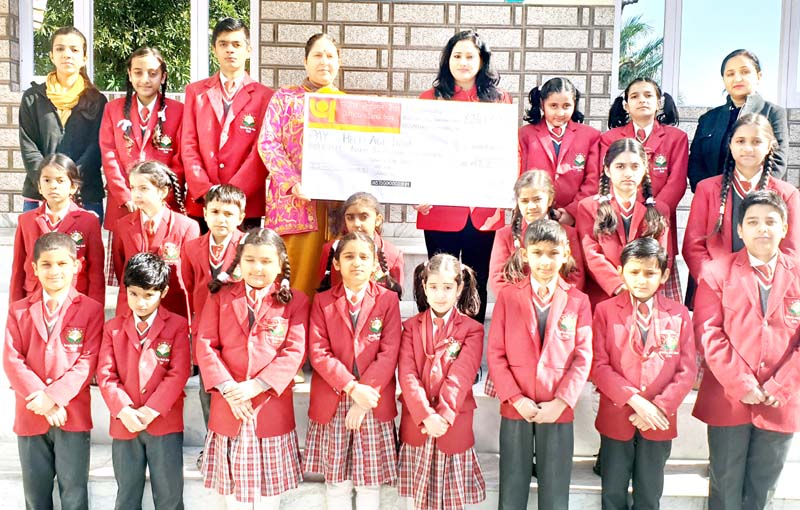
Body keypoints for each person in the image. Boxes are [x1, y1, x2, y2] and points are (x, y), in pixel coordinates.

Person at [693, 190, 800, 510]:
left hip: (781, 398)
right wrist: (742, 383)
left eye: (771, 221)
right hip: (729, 397)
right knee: (724, 486)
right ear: (740, 229)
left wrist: (778, 385)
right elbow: (708, 332)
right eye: (753, 221)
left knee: (763, 489)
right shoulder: (716, 272)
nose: (762, 228)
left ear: (784, 227)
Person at [195, 228, 308, 510]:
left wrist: (255, 386)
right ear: (239, 262)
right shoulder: (220, 296)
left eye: (267, 261)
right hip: (229, 405)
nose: (258, 268)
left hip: (269, 406)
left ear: (281, 263)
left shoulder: (295, 301)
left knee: (270, 495)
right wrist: (230, 389)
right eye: (250, 260)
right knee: (233, 495)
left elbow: (293, 351)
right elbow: (206, 345)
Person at [487, 219, 592, 510]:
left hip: (557, 407)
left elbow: (583, 357)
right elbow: (496, 353)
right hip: (516, 406)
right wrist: (515, 398)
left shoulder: (578, 301)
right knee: (512, 486)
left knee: (556, 490)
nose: (545, 261)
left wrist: (562, 401)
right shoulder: (508, 297)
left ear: (566, 254)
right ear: (524, 254)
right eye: (537, 253)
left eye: (553, 253)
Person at [592, 237, 696, 510]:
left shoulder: (679, 314)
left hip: (659, 420)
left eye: (650, 273)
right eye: (634, 272)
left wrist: (658, 408)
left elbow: (686, 370)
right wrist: (635, 400)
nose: (641, 279)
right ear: (620, 272)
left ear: (663, 275)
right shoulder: (604, 311)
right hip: (617, 415)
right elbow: (598, 365)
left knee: (649, 495)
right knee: (613, 494)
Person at [415, 29, 511, 324]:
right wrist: (415, 192)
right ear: (448, 60)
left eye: (471, 56)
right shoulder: (429, 99)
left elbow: (508, 151)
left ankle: (468, 351)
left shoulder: (499, 101)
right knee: (439, 281)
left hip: (482, 208)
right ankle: (432, 348)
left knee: (474, 283)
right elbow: (414, 150)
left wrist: (505, 192)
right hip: (439, 207)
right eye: (457, 55)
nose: (464, 62)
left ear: (482, 61)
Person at [3, 232, 104, 510]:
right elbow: (12, 359)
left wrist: (56, 397)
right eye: (46, 264)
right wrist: (42, 399)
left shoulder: (91, 310)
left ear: (77, 266)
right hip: (31, 414)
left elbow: (88, 360)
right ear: (34, 268)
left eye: (62, 264)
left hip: (72, 415)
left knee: (73, 492)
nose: (54, 271)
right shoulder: (19, 310)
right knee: (35, 496)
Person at [305, 231, 402, 509]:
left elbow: (389, 351)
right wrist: (351, 387)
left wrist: (363, 397)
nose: (356, 262)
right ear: (336, 264)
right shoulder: (323, 302)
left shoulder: (387, 300)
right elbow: (319, 352)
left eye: (363, 257)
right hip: (334, 399)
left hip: (373, 401)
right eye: (348, 256)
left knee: (369, 481)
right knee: (336, 482)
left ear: (375, 264)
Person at [96, 252, 191, 510]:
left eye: (148, 295)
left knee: (169, 495)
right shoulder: (112, 328)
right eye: (134, 294)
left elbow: (178, 372)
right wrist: (123, 410)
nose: (140, 302)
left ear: (163, 292)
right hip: (125, 423)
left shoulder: (178, 325)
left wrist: (151, 409)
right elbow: (106, 374)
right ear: (125, 290)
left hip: (164, 422)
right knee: (127, 494)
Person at [397, 254, 486, 510]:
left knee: (452, 501)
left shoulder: (471, 329)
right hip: (419, 424)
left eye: (448, 287)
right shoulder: (411, 327)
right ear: (424, 287)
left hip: (452, 425)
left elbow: (462, 375)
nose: (440, 294)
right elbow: (407, 374)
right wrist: (426, 415)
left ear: (459, 288)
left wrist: (442, 417)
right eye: (433, 287)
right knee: (416, 499)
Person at [683, 113, 800, 306]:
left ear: (770, 146)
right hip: (715, 291)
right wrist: (715, 282)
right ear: (730, 144)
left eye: (756, 142)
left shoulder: (787, 194)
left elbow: (791, 251)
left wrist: (765, 285)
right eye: (740, 141)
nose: (747, 148)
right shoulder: (706, 189)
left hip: (767, 295)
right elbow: (693, 246)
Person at [259, 32, 343, 298]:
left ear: (339, 62)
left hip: (335, 209)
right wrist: (292, 182)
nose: (324, 61)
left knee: (332, 281)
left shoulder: (348, 104)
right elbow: (268, 143)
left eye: (330, 56)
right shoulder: (284, 98)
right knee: (292, 282)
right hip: (295, 206)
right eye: (318, 55)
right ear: (305, 62)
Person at [182, 17, 272, 232]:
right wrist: (206, 191)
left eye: (236, 44)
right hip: (203, 203)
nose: (230, 50)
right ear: (214, 49)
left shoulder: (264, 96)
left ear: (249, 50)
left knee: (243, 262)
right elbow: (188, 145)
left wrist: (233, 193)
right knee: (202, 261)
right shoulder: (196, 92)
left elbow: (261, 152)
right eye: (223, 44)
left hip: (244, 203)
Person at [601, 77, 687, 302]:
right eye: (635, 96)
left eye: (648, 95)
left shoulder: (676, 137)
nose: (642, 100)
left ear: (659, 102)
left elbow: (677, 182)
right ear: (625, 105)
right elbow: (606, 179)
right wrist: (628, 211)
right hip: (620, 220)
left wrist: (651, 210)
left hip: (658, 223)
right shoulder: (609, 138)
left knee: (657, 288)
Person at [19, 26, 107, 223]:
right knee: (39, 253)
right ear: (51, 56)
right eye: (60, 49)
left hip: (85, 193)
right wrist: (47, 182)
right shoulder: (32, 98)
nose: (67, 54)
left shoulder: (97, 100)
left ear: (84, 58)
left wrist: (70, 183)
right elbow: (29, 146)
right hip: (39, 193)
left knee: (82, 253)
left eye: (74, 50)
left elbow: (97, 147)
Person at [576, 138, 670, 308]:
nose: (628, 173)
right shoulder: (589, 207)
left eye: (635, 167)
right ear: (607, 170)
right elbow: (591, 254)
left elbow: (661, 256)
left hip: (644, 295)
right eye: (620, 167)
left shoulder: (660, 209)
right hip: (602, 297)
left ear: (644, 170)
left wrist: (640, 288)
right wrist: (619, 287)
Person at [100, 46, 184, 232]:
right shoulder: (113, 109)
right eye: (138, 73)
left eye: (152, 73)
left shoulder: (179, 111)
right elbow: (109, 156)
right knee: (122, 259)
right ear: (130, 75)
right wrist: (127, 195)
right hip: (125, 205)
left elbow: (180, 160)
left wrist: (160, 195)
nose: (145, 79)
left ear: (162, 77)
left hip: (163, 204)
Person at [181, 184, 246, 424]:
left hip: (237, 330)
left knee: (237, 385)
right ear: (205, 213)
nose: (221, 219)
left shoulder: (248, 246)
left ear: (240, 216)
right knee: (208, 387)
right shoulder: (191, 248)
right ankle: (212, 443)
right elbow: (189, 287)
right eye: (216, 212)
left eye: (229, 214)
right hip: (205, 330)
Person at [10, 153, 105, 305]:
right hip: (35, 299)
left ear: (73, 187)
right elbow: (18, 270)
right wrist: (15, 309)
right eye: (47, 180)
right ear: (39, 187)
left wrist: (95, 309)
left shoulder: (88, 221)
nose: (53, 186)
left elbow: (96, 273)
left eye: (60, 180)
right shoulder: (26, 221)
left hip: (75, 299)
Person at [688, 49, 788, 190]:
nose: (737, 78)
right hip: (713, 199)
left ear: (759, 76)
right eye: (730, 74)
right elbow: (695, 163)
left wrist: (749, 192)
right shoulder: (708, 119)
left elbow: (777, 161)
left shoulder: (773, 113)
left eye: (745, 72)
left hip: (756, 202)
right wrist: (708, 191)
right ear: (723, 80)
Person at [111, 161, 199, 318]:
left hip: (172, 306)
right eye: (132, 188)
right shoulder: (122, 225)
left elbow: (190, 275)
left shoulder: (186, 227)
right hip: (132, 308)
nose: (136, 194)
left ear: (163, 191)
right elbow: (120, 266)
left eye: (144, 188)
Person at [518, 77, 600, 226]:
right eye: (553, 105)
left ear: (575, 105)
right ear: (543, 104)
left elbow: (592, 180)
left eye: (566, 106)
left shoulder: (590, 136)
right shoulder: (524, 135)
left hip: (574, 220)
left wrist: (572, 211)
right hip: (533, 216)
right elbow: (519, 176)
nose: (560, 112)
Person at [489, 170, 585, 297]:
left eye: (537, 199)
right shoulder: (505, 235)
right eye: (524, 201)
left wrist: (551, 301)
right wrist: (522, 303)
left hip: (559, 306)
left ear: (550, 199)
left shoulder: (568, 233)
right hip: (517, 307)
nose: (531, 206)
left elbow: (576, 276)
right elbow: (498, 278)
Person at [318, 192, 404, 295]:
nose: (356, 224)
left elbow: (395, 296)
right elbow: (324, 291)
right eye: (350, 218)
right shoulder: (331, 249)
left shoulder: (393, 254)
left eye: (364, 217)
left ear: (378, 220)